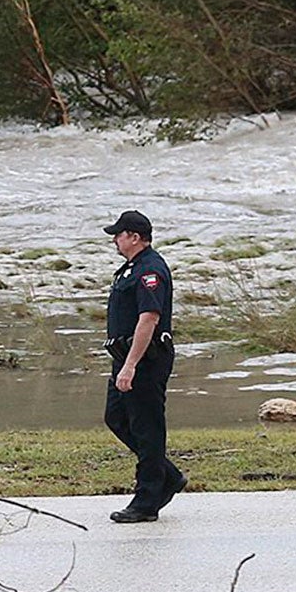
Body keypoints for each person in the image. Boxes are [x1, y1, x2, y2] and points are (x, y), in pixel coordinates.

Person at [101, 209, 187, 523]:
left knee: (147, 427)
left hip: (145, 359)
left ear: (135, 237)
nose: (114, 239)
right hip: (125, 357)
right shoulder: (130, 269)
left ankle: (147, 499)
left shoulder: (151, 270)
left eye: (119, 234)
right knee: (116, 417)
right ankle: (168, 475)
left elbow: (148, 318)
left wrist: (131, 366)